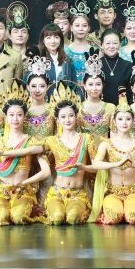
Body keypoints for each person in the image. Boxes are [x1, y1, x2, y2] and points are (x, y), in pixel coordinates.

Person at [0, 82, 50, 225]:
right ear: (6, 117)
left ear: (24, 117)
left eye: (19, 115)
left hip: (23, 190)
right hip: (2, 190)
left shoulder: (31, 141)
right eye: (11, 115)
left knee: (19, 217)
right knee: (1, 217)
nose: (15, 119)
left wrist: (26, 182)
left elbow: (46, 171)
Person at [87, 99, 135, 225]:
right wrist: (115, 164)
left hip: (133, 191)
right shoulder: (106, 143)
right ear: (114, 121)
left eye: (128, 119)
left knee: (133, 217)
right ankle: (119, 211)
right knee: (114, 217)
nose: (124, 122)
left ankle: (128, 210)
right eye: (120, 119)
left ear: (133, 121)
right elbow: (96, 163)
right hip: (112, 192)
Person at [42, 86, 96, 224]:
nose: (67, 120)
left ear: (76, 117)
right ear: (57, 119)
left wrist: (84, 167)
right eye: (63, 117)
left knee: (73, 218)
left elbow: (96, 168)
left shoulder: (86, 139)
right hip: (57, 192)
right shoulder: (51, 141)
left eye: (71, 116)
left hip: (78, 193)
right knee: (57, 218)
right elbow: (34, 151)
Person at [78, 57, 117, 138]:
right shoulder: (78, 108)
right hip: (83, 146)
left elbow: (115, 135)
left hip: (105, 145)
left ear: (103, 85)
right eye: (90, 84)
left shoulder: (111, 108)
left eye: (98, 84)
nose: (94, 88)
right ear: (84, 86)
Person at [92, 28, 133, 100]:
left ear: (120, 44)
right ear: (102, 45)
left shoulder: (128, 65)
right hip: (100, 106)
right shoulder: (95, 65)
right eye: (108, 43)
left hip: (122, 106)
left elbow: (131, 92)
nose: (111, 46)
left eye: (115, 43)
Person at [64, 0, 95, 81]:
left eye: (84, 26)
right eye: (77, 25)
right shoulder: (65, 51)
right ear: (71, 28)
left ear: (89, 28)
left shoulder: (95, 52)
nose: (81, 29)